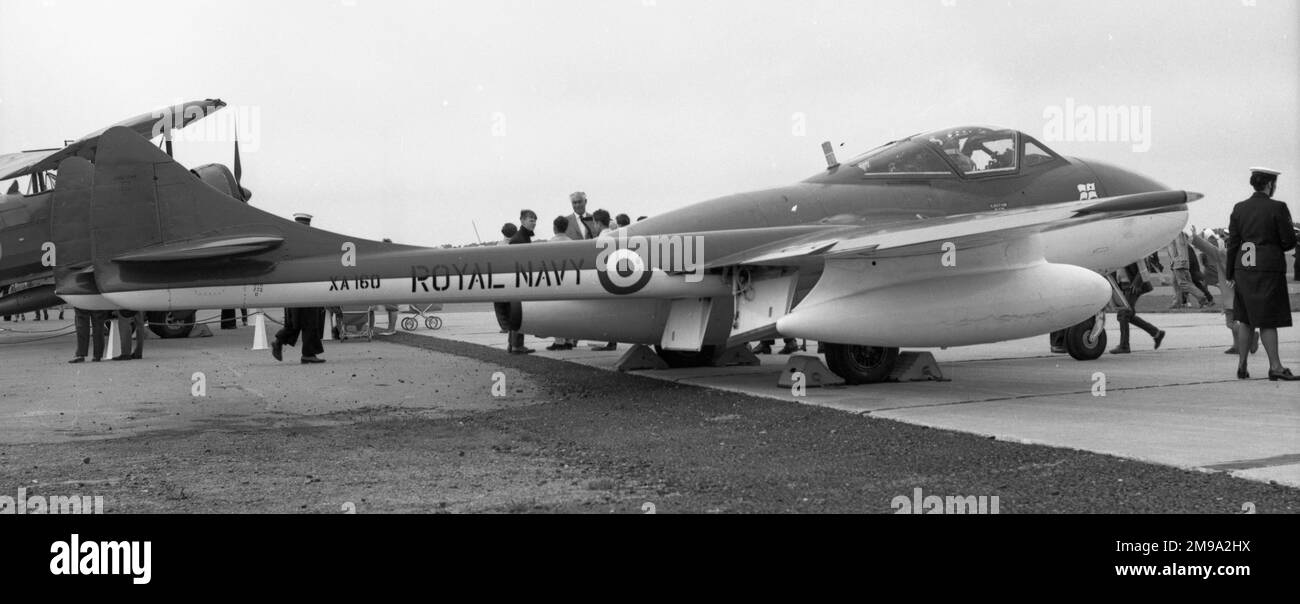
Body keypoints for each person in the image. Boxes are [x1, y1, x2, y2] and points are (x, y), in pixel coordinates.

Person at [1225, 167, 1298, 380]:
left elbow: (1233, 244)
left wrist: (1231, 273)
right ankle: (1275, 367)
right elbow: (1288, 242)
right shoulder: (1278, 207)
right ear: (1269, 184)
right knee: (1268, 320)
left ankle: (1242, 365)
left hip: (1243, 270)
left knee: (1246, 318)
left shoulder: (1239, 208)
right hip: (1268, 271)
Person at [271, 213, 327, 364]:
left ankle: (280, 341)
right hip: (305, 289)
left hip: (291, 290)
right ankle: (307, 354)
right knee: (309, 322)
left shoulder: (287, 242)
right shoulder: (307, 244)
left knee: (295, 323)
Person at [1192, 230, 1257, 355]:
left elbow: (1207, 248)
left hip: (1230, 296)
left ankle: (1251, 335)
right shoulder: (1247, 255)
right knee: (1239, 320)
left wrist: (1194, 236)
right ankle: (1237, 345)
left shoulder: (1223, 254)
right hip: (1245, 293)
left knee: (1230, 323)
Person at [1108, 263, 1166, 354]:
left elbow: (1143, 267)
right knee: (1128, 315)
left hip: (1132, 286)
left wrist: (1137, 283)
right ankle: (1157, 333)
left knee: (1123, 314)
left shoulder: (1130, 250)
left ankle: (1124, 346)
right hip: (1123, 285)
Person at [504, 210, 536, 354]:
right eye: (531, 220)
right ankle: (517, 345)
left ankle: (513, 344)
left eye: (535, 220)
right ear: (522, 221)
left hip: (519, 281)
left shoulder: (522, 237)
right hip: (520, 281)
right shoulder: (519, 239)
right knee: (518, 313)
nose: (534, 222)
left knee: (516, 313)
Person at [545, 216, 576, 351]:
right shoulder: (572, 243)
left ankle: (559, 341)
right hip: (570, 281)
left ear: (554, 227)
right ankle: (569, 340)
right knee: (569, 312)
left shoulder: (550, 244)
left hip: (556, 281)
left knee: (556, 312)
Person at [1165, 232, 1208, 309]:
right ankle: (1177, 302)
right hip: (1178, 263)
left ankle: (1201, 297)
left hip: (1179, 263)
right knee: (1175, 283)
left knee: (1183, 283)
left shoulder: (1176, 234)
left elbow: (1179, 246)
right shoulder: (1175, 234)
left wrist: (1181, 261)